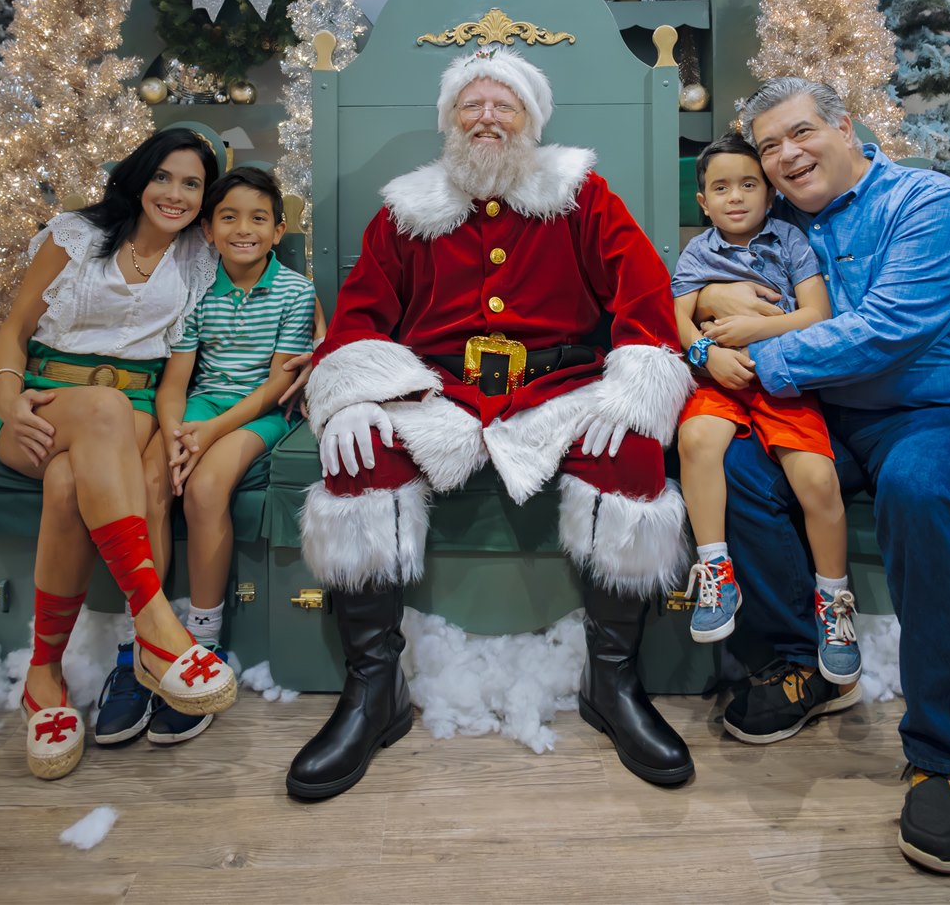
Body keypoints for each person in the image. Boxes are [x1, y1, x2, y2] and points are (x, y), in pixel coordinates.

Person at [286, 45, 694, 800]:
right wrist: (348, 394)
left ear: (531, 121)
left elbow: (643, 295)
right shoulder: (407, 211)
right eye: (471, 106)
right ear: (448, 122)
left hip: (559, 389)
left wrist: (632, 389)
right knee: (357, 459)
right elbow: (361, 314)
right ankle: (374, 693)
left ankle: (613, 684)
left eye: (503, 105)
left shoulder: (582, 196)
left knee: (633, 454)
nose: (487, 118)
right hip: (438, 393)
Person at [701, 77, 950, 875]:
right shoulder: (784, 223)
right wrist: (708, 324)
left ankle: (948, 752)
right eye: (769, 146)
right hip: (830, 417)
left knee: (920, 492)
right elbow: (700, 287)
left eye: (800, 133)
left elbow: (885, 331)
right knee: (737, 468)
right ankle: (810, 664)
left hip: (934, 413)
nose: (786, 155)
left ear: (845, 126)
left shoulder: (928, 205)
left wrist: (749, 355)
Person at [0, 127, 240, 780]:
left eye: (192, 184)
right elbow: (13, 330)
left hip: (129, 417)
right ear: (139, 177)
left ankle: (43, 678)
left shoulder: (198, 259)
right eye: (165, 177)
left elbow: (268, 292)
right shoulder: (76, 235)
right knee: (83, 437)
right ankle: (156, 625)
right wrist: (8, 397)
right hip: (42, 405)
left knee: (81, 467)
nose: (177, 194)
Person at [671, 134, 859, 693]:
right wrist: (706, 354)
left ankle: (833, 602)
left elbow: (818, 314)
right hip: (724, 378)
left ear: (770, 191)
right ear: (702, 201)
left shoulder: (792, 243)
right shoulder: (697, 252)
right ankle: (715, 571)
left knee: (817, 478)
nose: (735, 198)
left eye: (749, 184)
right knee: (698, 441)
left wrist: (758, 328)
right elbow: (678, 316)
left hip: (783, 383)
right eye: (720, 188)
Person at [143, 166, 316, 743]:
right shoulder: (195, 290)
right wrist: (174, 433)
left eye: (258, 218)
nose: (244, 229)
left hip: (255, 415)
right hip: (199, 408)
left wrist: (211, 432)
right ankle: (145, 632)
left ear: (278, 229)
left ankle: (203, 637)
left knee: (207, 487)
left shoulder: (294, 291)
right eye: (229, 217)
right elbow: (175, 384)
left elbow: (274, 389)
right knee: (150, 480)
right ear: (209, 232)